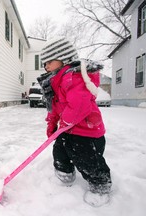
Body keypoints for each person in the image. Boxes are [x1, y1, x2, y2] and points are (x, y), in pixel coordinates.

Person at [37, 37, 112, 207]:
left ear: (63, 59)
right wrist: (52, 124)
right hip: (69, 129)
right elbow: (55, 106)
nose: (46, 66)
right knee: (60, 151)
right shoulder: (56, 80)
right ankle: (64, 173)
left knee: (88, 160)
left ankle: (100, 184)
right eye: (44, 63)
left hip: (86, 132)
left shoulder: (74, 77)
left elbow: (79, 105)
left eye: (49, 62)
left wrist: (65, 122)